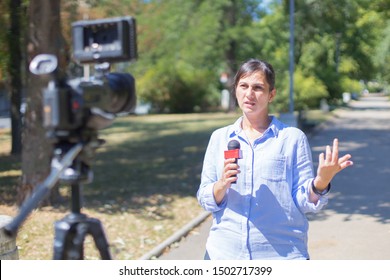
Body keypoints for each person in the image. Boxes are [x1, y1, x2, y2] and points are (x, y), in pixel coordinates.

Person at [197, 58, 353, 260]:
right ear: (236, 89)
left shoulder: (292, 138)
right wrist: (221, 184)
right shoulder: (220, 138)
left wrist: (321, 181)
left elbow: (303, 202)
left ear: (271, 94)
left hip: (280, 255)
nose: (249, 94)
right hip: (224, 254)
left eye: (258, 87)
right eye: (243, 86)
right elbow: (205, 197)